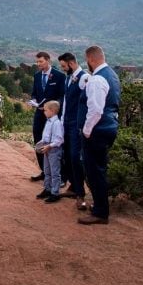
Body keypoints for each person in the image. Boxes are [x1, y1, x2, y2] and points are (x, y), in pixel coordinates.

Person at [78, 45, 121, 225]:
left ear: (91, 59)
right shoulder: (112, 75)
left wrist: (87, 131)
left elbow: (95, 110)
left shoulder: (97, 80)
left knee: (94, 171)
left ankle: (100, 213)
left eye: (87, 60)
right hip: (109, 127)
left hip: (97, 130)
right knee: (99, 169)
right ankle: (99, 205)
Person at [27, 52, 65, 182]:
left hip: (54, 117)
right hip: (39, 114)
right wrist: (33, 101)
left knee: (54, 144)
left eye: (41, 62)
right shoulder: (37, 76)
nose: (38, 64)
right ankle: (44, 171)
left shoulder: (59, 76)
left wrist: (54, 106)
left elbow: (62, 96)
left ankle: (60, 176)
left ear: (48, 61)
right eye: (37, 62)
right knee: (39, 141)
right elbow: (34, 93)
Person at [57, 52, 87, 202]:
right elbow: (66, 103)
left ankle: (80, 192)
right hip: (66, 122)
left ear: (72, 63)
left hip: (76, 124)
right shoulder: (69, 78)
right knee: (67, 155)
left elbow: (87, 103)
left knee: (75, 157)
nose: (62, 69)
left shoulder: (83, 78)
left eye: (64, 66)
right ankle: (73, 186)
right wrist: (62, 122)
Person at [35, 100, 64, 203]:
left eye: (45, 110)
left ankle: (55, 193)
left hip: (54, 150)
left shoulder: (57, 123)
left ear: (52, 111)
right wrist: (41, 143)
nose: (44, 112)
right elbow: (46, 135)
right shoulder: (48, 121)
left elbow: (59, 139)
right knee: (47, 170)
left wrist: (49, 146)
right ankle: (47, 188)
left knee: (55, 172)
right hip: (47, 148)